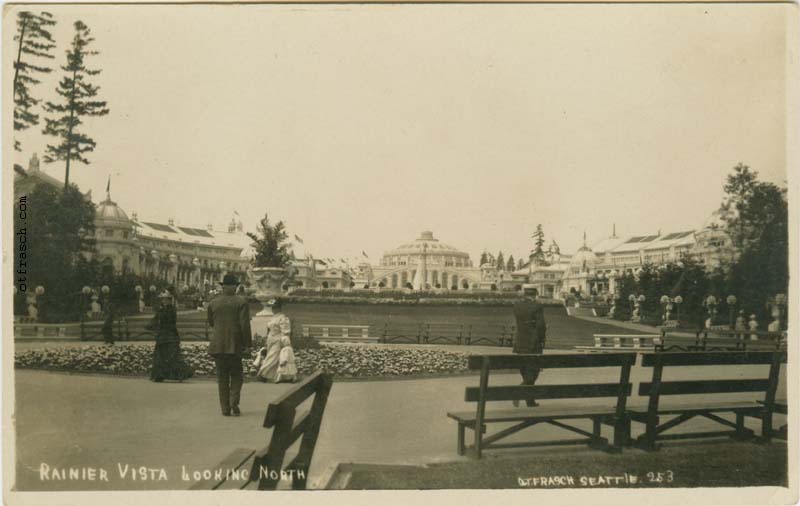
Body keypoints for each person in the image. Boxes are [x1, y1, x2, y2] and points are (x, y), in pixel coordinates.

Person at [207, 274, 252, 417]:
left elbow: (211, 322)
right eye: (235, 285)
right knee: (237, 375)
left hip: (218, 345)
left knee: (222, 377)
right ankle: (234, 401)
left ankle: (225, 408)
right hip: (234, 344)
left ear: (223, 286)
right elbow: (244, 325)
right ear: (235, 286)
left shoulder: (213, 302)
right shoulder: (241, 302)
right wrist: (248, 344)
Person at [512, 285, 547, 407]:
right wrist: (542, 340)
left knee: (525, 370)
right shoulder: (537, 306)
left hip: (520, 341)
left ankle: (529, 400)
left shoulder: (517, 305)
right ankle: (518, 393)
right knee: (534, 371)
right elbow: (541, 326)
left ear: (525, 293)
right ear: (535, 294)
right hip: (533, 342)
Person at [148, 289, 193, 382]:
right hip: (162, 335)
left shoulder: (171, 309)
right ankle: (159, 375)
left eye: (165, 299)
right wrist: (151, 325)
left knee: (171, 356)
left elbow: (169, 320)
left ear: (169, 300)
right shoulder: (162, 309)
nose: (163, 301)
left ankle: (181, 374)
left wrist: (160, 315)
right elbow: (155, 319)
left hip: (170, 335)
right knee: (160, 356)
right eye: (163, 299)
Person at [254, 298, 291, 383]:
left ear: (279, 308)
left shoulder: (283, 318)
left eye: (275, 307)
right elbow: (269, 328)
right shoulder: (273, 317)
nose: (273, 309)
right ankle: (276, 376)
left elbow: (286, 331)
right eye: (272, 307)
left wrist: (284, 341)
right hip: (271, 339)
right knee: (273, 358)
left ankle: (262, 374)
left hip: (278, 339)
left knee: (272, 357)